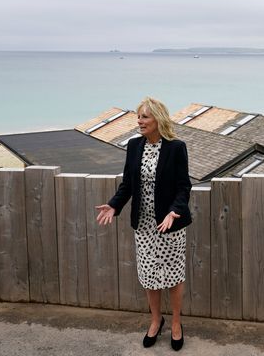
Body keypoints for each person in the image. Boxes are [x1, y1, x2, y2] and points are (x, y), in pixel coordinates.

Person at [95, 97, 192, 351]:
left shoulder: (176, 147)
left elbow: (184, 187)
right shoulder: (134, 146)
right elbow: (128, 184)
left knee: (173, 277)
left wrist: (174, 211)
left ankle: (176, 324)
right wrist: (114, 205)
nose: (139, 121)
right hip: (144, 225)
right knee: (149, 276)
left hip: (169, 224)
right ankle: (156, 320)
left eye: (145, 117)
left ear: (158, 119)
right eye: (138, 117)